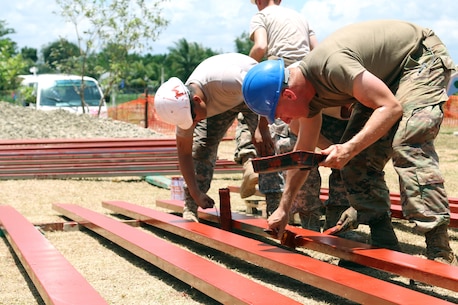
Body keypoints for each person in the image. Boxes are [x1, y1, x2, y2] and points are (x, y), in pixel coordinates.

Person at [242, 20, 457, 264]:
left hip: (419, 60)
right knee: (355, 161)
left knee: (408, 144)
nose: (283, 120)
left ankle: (439, 251)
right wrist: (283, 208)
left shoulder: (331, 66)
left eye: (279, 113)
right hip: (384, 78)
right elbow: (302, 154)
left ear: (289, 94)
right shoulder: (307, 98)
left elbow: (390, 107)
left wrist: (348, 148)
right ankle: (383, 240)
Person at [154, 53, 272, 222]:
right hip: (228, 99)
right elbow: (184, 153)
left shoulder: (225, 79)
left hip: (252, 92)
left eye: (193, 118)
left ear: (197, 100)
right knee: (201, 147)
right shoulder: (184, 109)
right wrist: (196, 192)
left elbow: (263, 89)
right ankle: (191, 207)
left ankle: (251, 168)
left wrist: (263, 128)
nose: (193, 123)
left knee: (263, 143)